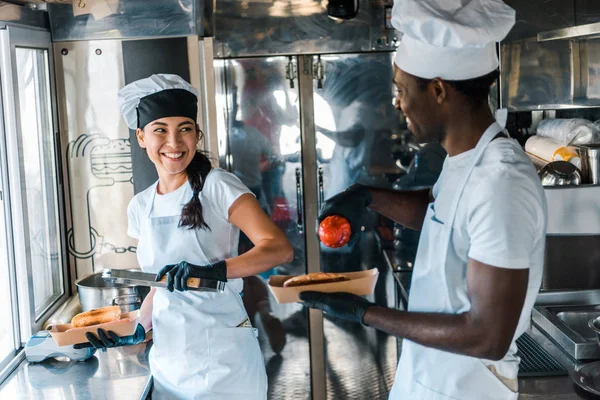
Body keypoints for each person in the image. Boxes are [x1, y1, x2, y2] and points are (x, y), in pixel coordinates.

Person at [300, 1, 547, 399]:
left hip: (465, 388)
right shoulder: (466, 160)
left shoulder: (501, 183)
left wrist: (366, 313)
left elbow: (488, 337)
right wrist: (365, 197)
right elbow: (437, 211)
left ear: (437, 90)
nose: (397, 103)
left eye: (401, 90)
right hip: (433, 377)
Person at [75, 74, 294, 400]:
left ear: (197, 134)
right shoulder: (141, 206)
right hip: (170, 363)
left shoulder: (219, 186)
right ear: (141, 136)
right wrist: (136, 330)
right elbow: (159, 288)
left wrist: (214, 271)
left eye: (185, 129)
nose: (174, 143)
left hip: (225, 363)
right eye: (160, 130)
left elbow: (279, 249)